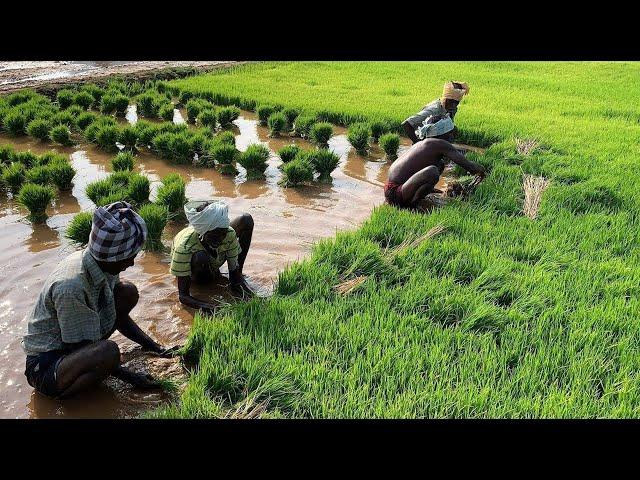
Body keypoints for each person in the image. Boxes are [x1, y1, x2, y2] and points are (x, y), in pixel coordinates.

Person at [22, 201, 179, 399]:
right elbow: (79, 347)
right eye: (128, 257)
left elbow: (118, 317)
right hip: (46, 366)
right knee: (109, 351)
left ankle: (95, 368)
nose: (131, 263)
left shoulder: (101, 262)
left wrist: (155, 347)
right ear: (113, 257)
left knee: (127, 291)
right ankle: (60, 397)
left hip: (75, 348)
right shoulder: (71, 287)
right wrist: (131, 378)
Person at [385, 115, 486, 210]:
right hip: (396, 193)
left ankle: (421, 194)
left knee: (439, 164)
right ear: (442, 133)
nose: (452, 137)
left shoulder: (423, 143)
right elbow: (470, 167)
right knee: (432, 171)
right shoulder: (439, 144)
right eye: (450, 133)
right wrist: (484, 170)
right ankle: (412, 205)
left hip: (393, 190)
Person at [170, 200, 254, 312]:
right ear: (203, 232)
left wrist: (251, 296)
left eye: (222, 233)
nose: (219, 239)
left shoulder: (229, 235)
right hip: (195, 266)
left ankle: (220, 271)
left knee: (244, 221)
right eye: (214, 235)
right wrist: (212, 307)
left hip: (211, 259)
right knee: (201, 259)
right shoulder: (185, 246)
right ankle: (208, 275)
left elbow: (234, 279)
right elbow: (183, 296)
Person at [401, 81, 470, 144]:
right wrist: (418, 144)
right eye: (451, 102)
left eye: (456, 102)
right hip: (423, 137)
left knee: (453, 129)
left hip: (436, 134)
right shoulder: (433, 110)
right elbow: (406, 124)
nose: (454, 105)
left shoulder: (452, 108)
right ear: (446, 99)